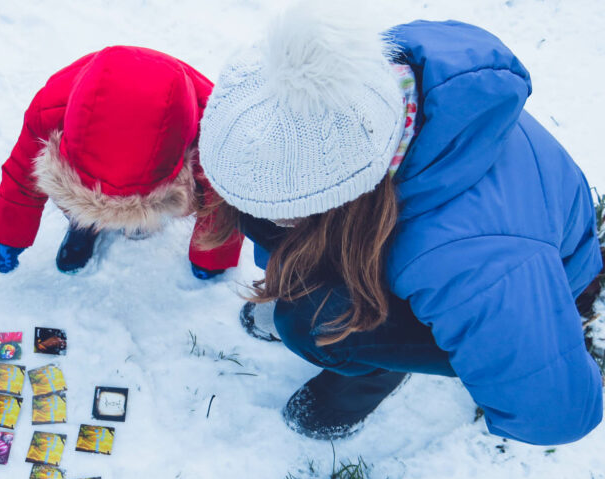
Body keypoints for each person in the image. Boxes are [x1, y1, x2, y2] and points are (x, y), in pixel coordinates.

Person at [197, 6, 603, 445]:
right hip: (408, 228)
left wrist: (473, 345)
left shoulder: (480, 265)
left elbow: (555, 413)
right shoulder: (363, 88)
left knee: (316, 323)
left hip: (500, 283)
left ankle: (358, 386)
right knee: (268, 229)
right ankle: (300, 286)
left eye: (287, 211)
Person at [0, 46, 244, 277]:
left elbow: (222, 202)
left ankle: (128, 219)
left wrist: (211, 254)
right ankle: (83, 224)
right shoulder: (53, 106)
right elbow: (23, 172)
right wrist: (11, 232)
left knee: (194, 196)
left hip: (176, 156)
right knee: (73, 194)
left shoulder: (214, 132)